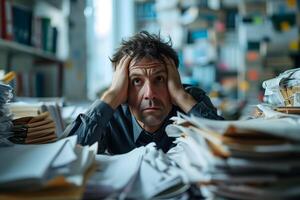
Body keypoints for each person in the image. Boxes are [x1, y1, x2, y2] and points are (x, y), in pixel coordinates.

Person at [65, 31, 223, 154]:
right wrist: (112, 95)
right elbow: (70, 156)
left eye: (159, 79)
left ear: (173, 80)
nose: (150, 94)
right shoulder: (111, 112)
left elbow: (230, 146)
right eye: (136, 81)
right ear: (124, 87)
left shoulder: (190, 100)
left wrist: (181, 97)